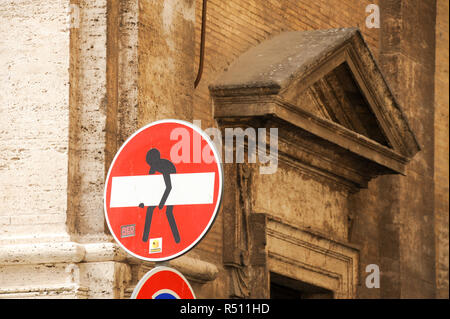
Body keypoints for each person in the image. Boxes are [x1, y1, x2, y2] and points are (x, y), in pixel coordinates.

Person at [139, 148, 180, 244]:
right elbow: (149, 183)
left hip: (173, 188)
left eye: (151, 163)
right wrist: (143, 201)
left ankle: (177, 239)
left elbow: (169, 187)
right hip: (162, 188)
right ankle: (144, 238)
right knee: (150, 209)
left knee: (169, 212)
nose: (151, 166)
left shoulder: (165, 166)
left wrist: (162, 202)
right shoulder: (154, 165)